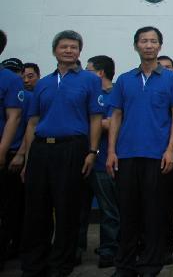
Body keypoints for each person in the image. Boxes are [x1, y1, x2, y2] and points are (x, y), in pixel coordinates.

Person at [17, 30, 103, 277]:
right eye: (64, 46)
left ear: (79, 51)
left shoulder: (89, 81)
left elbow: (95, 118)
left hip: (73, 148)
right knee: (36, 208)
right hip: (41, 149)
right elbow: (33, 123)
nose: (69, 50)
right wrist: (25, 156)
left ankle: (61, 263)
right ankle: (34, 263)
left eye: (73, 47)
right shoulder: (43, 83)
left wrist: (92, 151)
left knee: (67, 208)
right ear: (55, 50)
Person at [106, 26, 173, 277]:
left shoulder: (172, 79)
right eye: (144, 41)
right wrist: (110, 151)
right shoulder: (124, 80)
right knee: (128, 213)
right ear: (136, 46)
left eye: (153, 41)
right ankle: (125, 264)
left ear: (160, 46)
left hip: (156, 155)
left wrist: (170, 149)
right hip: (127, 155)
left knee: (153, 213)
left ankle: (151, 264)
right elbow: (116, 115)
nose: (148, 45)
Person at [85, 55, 120, 269]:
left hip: (105, 160)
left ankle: (110, 251)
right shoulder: (90, 95)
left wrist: (93, 122)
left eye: (88, 70)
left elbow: (111, 123)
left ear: (100, 73)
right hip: (85, 159)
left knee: (110, 210)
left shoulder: (113, 95)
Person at [0, 30, 25, 270]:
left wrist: (4, 151)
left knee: (8, 209)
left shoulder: (9, 80)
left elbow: (15, 118)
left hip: (5, 154)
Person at [156, 54, 173, 265]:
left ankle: (167, 247)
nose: (165, 70)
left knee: (167, 204)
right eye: (161, 67)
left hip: (172, 153)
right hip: (151, 153)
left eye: (169, 67)